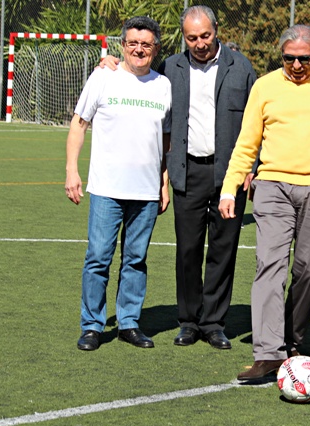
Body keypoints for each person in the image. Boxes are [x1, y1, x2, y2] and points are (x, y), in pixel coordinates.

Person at [101, 6, 257, 350]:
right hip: (187, 171)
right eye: (192, 38)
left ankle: (214, 323)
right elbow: (137, 76)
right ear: (184, 38)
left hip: (230, 173)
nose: (200, 43)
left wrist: (252, 166)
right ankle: (188, 321)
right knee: (187, 250)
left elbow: (258, 119)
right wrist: (108, 63)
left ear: (216, 30)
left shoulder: (241, 67)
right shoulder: (170, 67)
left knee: (223, 249)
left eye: (205, 36)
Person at [218, 24, 310, 380]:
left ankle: (291, 339)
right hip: (272, 186)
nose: (295, 65)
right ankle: (268, 353)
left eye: (303, 59)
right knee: (270, 266)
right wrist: (230, 188)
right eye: (288, 58)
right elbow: (247, 142)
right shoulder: (265, 87)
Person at [65, 16, 172, 351]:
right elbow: (79, 124)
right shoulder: (103, 77)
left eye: (146, 44)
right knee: (98, 258)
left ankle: (128, 322)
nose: (139, 49)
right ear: (123, 45)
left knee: (136, 260)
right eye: (132, 43)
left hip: (146, 191)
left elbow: (165, 138)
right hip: (106, 189)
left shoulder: (163, 85)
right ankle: (92, 326)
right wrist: (71, 170)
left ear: (156, 48)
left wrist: (163, 181)